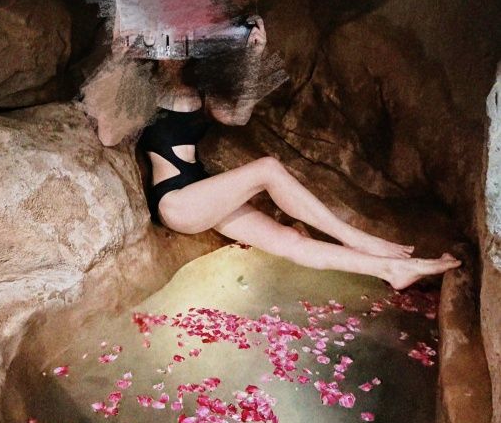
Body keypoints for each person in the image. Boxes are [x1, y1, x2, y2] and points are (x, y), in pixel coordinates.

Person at [84, 15, 461, 291]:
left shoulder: (200, 89)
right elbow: (109, 133)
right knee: (267, 169)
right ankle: (358, 238)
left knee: (290, 242)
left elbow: (237, 116)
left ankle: (391, 271)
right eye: (168, 43)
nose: (175, 53)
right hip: (176, 202)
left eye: (183, 44)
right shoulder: (145, 89)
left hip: (202, 191)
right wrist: (120, 59)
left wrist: (253, 55)